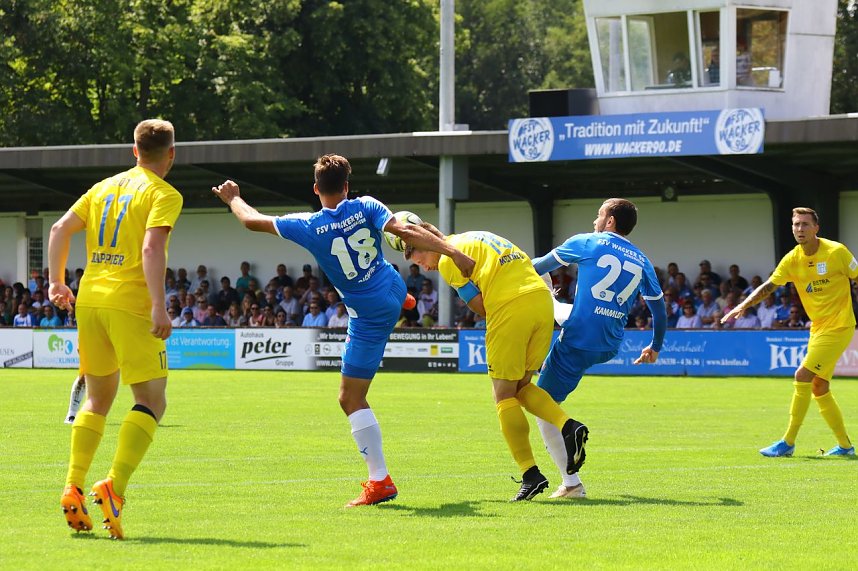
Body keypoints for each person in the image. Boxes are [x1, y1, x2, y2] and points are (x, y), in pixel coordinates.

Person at [212, 153, 475, 507]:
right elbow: (406, 231)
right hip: (393, 286)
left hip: (368, 315)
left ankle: (380, 482)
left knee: (349, 399)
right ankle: (405, 302)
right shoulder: (367, 206)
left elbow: (251, 221)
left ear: (316, 189)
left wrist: (233, 198)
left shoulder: (306, 225)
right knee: (391, 286)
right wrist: (453, 252)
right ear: (348, 187)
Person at [48, 119, 182, 539]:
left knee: (98, 398)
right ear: (172, 154)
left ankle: (73, 485)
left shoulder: (103, 187)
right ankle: (114, 488)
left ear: (133, 150)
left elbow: (58, 229)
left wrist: (55, 282)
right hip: (130, 304)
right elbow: (151, 247)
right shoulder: (164, 193)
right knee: (152, 400)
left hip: (89, 301)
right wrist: (159, 306)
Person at [406, 224, 587, 502]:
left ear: (427, 245)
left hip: (510, 306)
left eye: (420, 260)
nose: (425, 267)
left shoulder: (447, 258)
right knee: (521, 387)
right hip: (542, 302)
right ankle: (568, 425)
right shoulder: (477, 236)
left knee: (502, 395)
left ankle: (530, 473)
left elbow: (480, 306)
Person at [530, 198, 666, 499]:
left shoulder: (588, 242)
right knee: (558, 308)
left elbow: (537, 266)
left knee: (541, 406)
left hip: (579, 340)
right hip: (609, 342)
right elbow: (659, 310)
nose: (595, 221)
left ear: (611, 222)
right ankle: (550, 304)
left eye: (599, 215)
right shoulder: (642, 260)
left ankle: (572, 484)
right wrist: (654, 346)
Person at [723, 207, 856, 457]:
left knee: (802, 375)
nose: (800, 229)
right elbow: (769, 286)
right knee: (819, 387)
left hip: (839, 325)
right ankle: (846, 447)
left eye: (805, 224)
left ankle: (788, 442)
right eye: (796, 225)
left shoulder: (837, 252)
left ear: (816, 228)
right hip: (818, 328)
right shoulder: (792, 259)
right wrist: (742, 305)